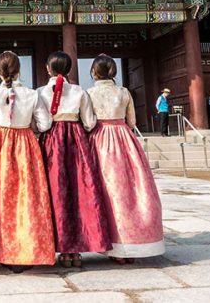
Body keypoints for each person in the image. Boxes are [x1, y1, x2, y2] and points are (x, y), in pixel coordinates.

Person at [0, 51, 55, 273]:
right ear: (19, 70)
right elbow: (45, 124)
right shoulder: (32, 94)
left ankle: (1, 251)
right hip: (26, 143)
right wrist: (29, 128)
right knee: (27, 198)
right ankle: (27, 250)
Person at [37, 51, 112, 268]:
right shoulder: (79, 91)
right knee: (79, 193)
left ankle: (59, 246)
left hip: (51, 142)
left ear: (48, 68)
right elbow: (89, 122)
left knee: (55, 193)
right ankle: (76, 251)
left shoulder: (41, 92)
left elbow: (39, 124)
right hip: (76, 141)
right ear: (69, 69)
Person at [88, 54, 164, 264]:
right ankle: (133, 244)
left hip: (100, 139)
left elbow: (88, 122)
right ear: (114, 72)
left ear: (93, 72)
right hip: (124, 139)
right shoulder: (124, 92)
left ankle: (113, 244)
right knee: (132, 191)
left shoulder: (90, 93)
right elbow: (132, 121)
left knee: (107, 193)